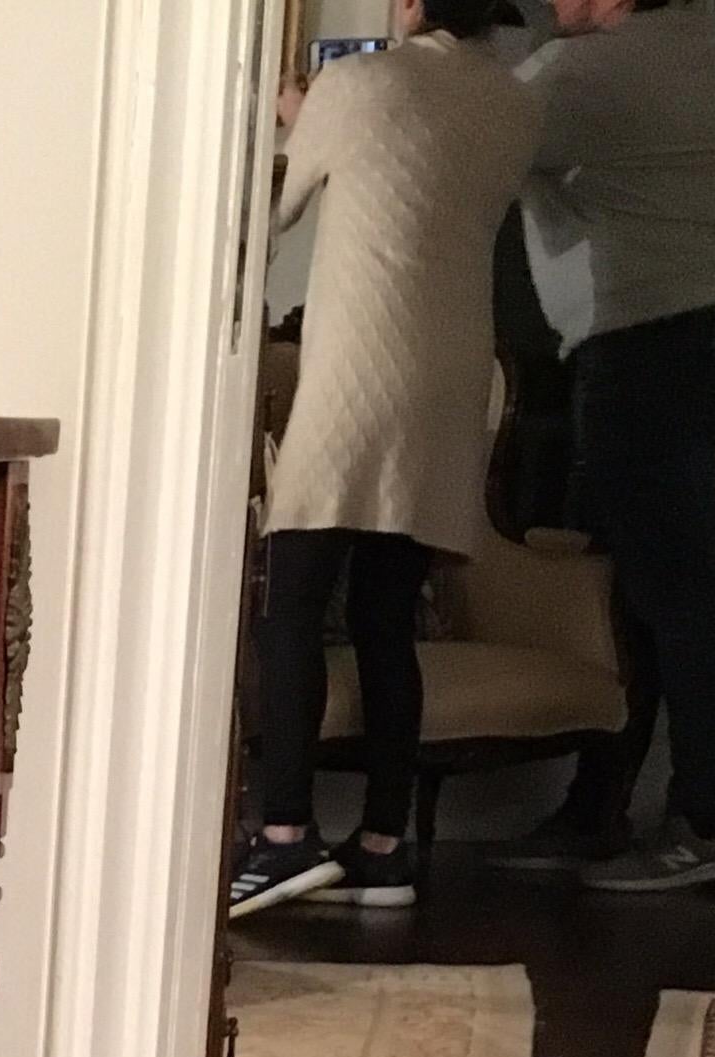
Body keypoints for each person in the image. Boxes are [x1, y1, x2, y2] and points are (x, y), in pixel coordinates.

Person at [233, 0, 545, 922]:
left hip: (361, 363)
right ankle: (384, 844)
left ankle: (284, 834)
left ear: (412, 3)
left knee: (292, 594)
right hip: (455, 372)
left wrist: (296, 120)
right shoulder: (518, 104)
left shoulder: (357, 82)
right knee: (385, 613)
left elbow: (270, 218)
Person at [491, 0, 715, 892]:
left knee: (670, 589)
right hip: (709, 333)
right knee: (642, 586)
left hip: (649, 341)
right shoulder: (693, 47)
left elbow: (453, 138)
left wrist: (319, 110)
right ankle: (601, 807)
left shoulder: (586, 74)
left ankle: (706, 821)